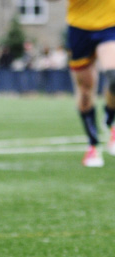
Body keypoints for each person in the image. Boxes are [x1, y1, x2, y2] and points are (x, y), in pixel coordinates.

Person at [49, 0, 115, 167]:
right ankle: (93, 145)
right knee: (85, 91)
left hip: (110, 23)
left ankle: (110, 117)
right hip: (80, 28)